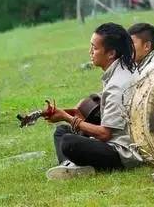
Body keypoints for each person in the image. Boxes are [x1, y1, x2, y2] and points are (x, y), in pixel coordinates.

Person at [46, 23, 141, 179]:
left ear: (111, 53)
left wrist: (67, 117)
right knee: (62, 131)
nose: (90, 52)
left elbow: (105, 134)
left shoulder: (117, 85)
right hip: (116, 139)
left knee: (69, 142)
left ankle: (72, 166)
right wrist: (72, 114)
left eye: (94, 48)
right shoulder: (123, 69)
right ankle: (71, 166)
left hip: (123, 152)